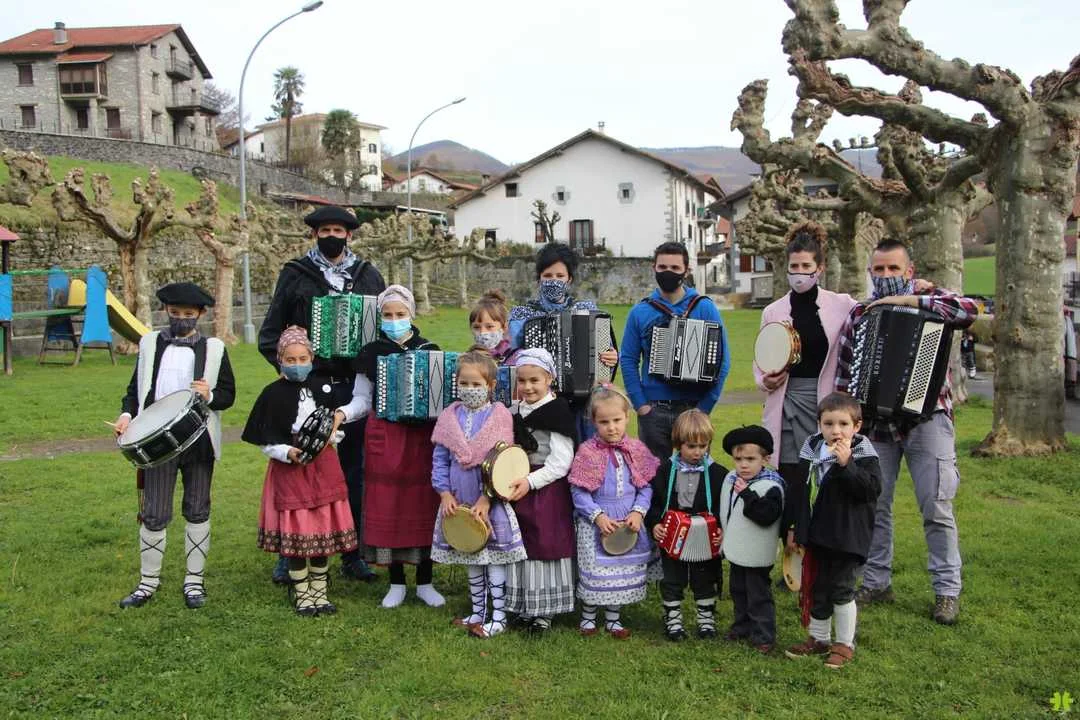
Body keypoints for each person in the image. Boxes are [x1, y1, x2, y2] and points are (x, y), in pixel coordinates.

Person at [835, 238, 978, 625]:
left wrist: (911, 300)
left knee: (936, 505)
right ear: (871, 272)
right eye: (879, 269)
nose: (886, 276)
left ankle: (947, 591)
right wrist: (847, 423)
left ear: (909, 271)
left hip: (927, 418)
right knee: (874, 505)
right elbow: (844, 374)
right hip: (876, 426)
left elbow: (969, 310)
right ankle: (876, 582)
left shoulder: (932, 300)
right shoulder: (861, 313)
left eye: (893, 269)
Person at [258, 205, 386, 584]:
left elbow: (384, 327)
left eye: (338, 230)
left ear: (350, 235)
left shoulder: (368, 276)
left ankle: (352, 552)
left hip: (354, 384)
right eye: (325, 230)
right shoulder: (296, 275)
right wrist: (290, 374)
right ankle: (292, 551)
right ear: (315, 234)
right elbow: (270, 333)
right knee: (299, 468)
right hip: (308, 384)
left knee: (353, 470)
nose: (332, 236)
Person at [114, 282, 236, 609]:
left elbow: (228, 395)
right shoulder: (150, 344)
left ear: (201, 314)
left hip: (199, 442)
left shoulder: (214, 349)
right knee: (154, 512)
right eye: (175, 313)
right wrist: (126, 416)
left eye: (188, 314)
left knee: (197, 509)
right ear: (165, 311)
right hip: (157, 444)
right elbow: (134, 391)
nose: (181, 319)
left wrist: (210, 395)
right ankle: (147, 583)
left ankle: (194, 582)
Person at [754, 222, 856, 592]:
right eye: (793, 266)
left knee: (828, 479)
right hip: (788, 400)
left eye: (805, 267)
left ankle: (827, 557)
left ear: (820, 268)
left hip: (828, 402)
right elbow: (763, 357)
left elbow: (871, 314)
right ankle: (793, 556)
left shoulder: (842, 305)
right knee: (792, 480)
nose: (799, 273)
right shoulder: (773, 310)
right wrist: (766, 380)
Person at [241, 326, 358, 616]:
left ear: (311, 358)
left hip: (324, 466)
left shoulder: (321, 389)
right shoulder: (272, 394)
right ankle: (302, 592)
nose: (297, 364)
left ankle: (320, 591)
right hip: (290, 471)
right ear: (280, 360)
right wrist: (287, 452)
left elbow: (334, 424)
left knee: (321, 531)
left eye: (303, 359)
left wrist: (329, 438)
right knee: (298, 533)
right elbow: (266, 440)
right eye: (290, 360)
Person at [341, 285, 444, 609]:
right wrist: (342, 414)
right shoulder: (370, 353)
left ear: (411, 314)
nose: (394, 319)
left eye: (400, 314)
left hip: (421, 439)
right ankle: (396, 582)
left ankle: (425, 582)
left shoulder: (429, 350)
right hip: (385, 436)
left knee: (424, 504)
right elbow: (362, 398)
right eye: (388, 315)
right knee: (390, 506)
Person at [429, 351, 527, 639]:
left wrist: (487, 497)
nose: (470, 389)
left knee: (493, 559)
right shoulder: (449, 417)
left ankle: (498, 616)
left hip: (488, 501)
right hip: (459, 499)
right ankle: (477, 610)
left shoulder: (499, 417)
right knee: (470, 555)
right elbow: (440, 460)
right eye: (464, 383)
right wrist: (444, 493)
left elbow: (504, 463)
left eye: (476, 384)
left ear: (491, 385)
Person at [784, 393, 882, 670]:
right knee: (818, 587)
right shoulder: (812, 449)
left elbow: (870, 491)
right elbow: (800, 491)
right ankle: (819, 638)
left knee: (842, 589)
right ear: (819, 424)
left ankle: (844, 644)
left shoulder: (863, 454)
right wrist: (794, 528)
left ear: (857, 426)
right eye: (828, 424)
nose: (836, 431)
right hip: (817, 534)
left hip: (847, 536)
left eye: (843, 424)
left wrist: (847, 464)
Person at [620, 241, 731, 462]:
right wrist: (641, 405)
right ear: (654, 268)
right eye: (662, 267)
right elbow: (628, 360)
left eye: (675, 268)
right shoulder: (640, 311)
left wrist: (704, 407)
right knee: (652, 477)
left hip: (694, 407)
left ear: (686, 271)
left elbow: (723, 361)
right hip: (653, 409)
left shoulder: (704, 307)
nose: (668, 272)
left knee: (695, 475)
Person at [567, 386, 659, 639]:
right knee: (596, 571)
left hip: (627, 522)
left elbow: (645, 486)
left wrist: (638, 512)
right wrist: (597, 516)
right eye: (604, 422)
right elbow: (579, 492)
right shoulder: (588, 452)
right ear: (593, 422)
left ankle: (613, 619)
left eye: (617, 420)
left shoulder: (636, 449)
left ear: (627, 417)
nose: (612, 427)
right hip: (598, 522)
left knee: (619, 572)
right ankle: (588, 617)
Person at [507, 243, 619, 439]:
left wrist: (611, 357)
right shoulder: (523, 315)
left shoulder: (587, 310)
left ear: (569, 279)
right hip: (539, 402)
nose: (554, 281)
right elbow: (511, 358)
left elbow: (605, 353)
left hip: (583, 401)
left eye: (560, 276)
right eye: (548, 276)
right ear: (539, 279)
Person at [504, 348, 579, 635]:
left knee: (546, 543)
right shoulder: (516, 410)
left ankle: (545, 611)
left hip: (546, 488)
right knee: (522, 543)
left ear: (549, 379)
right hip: (518, 483)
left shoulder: (557, 412)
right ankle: (525, 605)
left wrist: (531, 482)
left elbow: (561, 462)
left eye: (534, 380)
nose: (528, 387)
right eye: (522, 381)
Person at [645, 409, 727, 642]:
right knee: (672, 578)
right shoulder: (664, 471)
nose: (697, 452)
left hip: (705, 537)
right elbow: (653, 503)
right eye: (691, 446)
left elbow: (724, 506)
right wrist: (655, 524)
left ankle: (706, 619)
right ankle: (673, 618)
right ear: (678, 444)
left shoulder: (718, 474)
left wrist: (721, 528)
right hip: (673, 535)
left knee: (705, 577)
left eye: (703, 446)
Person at [718, 425, 785, 654]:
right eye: (738, 459)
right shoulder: (732, 479)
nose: (743, 465)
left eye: (750, 459)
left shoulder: (771, 486)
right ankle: (742, 627)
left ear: (765, 460)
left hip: (757, 553)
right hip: (738, 549)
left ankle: (763, 635)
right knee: (738, 590)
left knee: (758, 595)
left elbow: (766, 516)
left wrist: (747, 495)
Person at [470, 289, 515, 365]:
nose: (482, 332)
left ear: (504, 327)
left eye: (489, 326)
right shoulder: (469, 358)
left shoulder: (515, 358)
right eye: (477, 327)